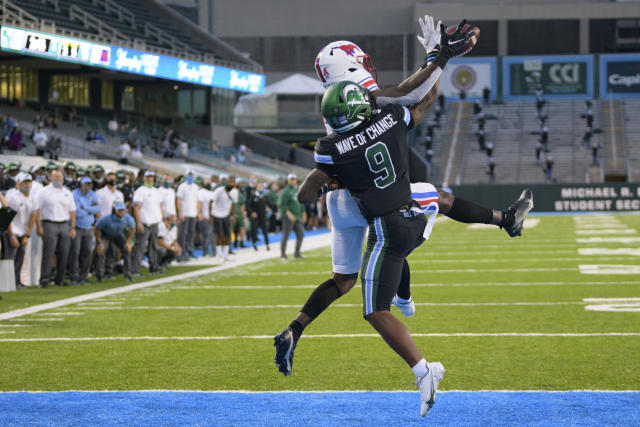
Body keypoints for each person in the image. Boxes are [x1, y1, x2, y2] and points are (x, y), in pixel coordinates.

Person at [274, 18, 533, 391]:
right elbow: (414, 94)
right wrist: (438, 57)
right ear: (347, 66)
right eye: (359, 61)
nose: (366, 66)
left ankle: (296, 327)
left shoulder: (332, 110)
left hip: (341, 199)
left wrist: (327, 182)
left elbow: (308, 188)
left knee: (343, 278)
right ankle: (502, 221)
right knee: (434, 204)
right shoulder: (366, 99)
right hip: (377, 196)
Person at [36, 169, 76, 287]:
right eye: (55, 177)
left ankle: (60, 278)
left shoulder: (67, 192)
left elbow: (72, 211)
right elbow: (37, 209)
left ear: (63, 178)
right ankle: (44, 279)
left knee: (64, 252)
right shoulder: (44, 191)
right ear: (50, 178)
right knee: (49, 252)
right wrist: (38, 225)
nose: (57, 179)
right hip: (49, 223)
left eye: (59, 177)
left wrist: (72, 227)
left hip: (64, 223)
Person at [2, 173, 37, 288]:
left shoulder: (33, 197)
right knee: (10, 258)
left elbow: (33, 216)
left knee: (20, 258)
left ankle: (16, 281)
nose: (27, 185)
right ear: (19, 183)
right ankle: (7, 282)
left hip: (23, 232)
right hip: (12, 231)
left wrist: (27, 235)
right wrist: (12, 236)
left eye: (28, 182)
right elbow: (7, 217)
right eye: (24, 182)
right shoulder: (13, 196)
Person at [131, 170, 165, 275]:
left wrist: (163, 219)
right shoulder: (140, 191)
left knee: (153, 246)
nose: (150, 179)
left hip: (155, 222)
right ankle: (135, 270)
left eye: (152, 177)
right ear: (144, 178)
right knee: (140, 247)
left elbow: (160, 206)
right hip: (145, 223)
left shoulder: (156, 191)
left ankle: (153, 268)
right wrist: (139, 223)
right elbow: (136, 208)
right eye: (148, 177)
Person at [69, 177, 101, 284]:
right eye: (85, 184)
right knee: (75, 252)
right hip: (77, 226)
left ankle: (83, 276)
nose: (87, 187)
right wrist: (90, 208)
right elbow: (77, 211)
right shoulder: (74, 194)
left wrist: (85, 207)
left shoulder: (92, 194)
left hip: (88, 227)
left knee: (87, 252)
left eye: (89, 185)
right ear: (80, 185)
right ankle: (74, 276)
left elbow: (98, 209)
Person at [95, 202, 135, 281]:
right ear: (115, 211)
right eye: (119, 210)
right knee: (102, 250)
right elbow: (96, 229)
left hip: (118, 234)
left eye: (122, 210)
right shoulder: (106, 219)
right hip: (105, 234)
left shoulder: (128, 218)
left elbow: (133, 229)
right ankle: (99, 275)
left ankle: (128, 274)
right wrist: (99, 243)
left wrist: (128, 242)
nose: (121, 212)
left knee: (126, 249)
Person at [210, 175, 237, 261]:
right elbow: (211, 201)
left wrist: (233, 216)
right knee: (219, 235)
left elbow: (233, 204)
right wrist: (211, 216)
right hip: (217, 215)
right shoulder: (219, 190)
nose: (231, 183)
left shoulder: (235, 192)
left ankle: (225, 255)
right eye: (229, 181)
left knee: (227, 235)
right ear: (226, 182)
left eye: (232, 182)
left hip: (226, 216)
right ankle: (219, 254)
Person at [278, 173, 305, 259]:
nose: (293, 181)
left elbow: (300, 202)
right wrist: (289, 214)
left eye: (294, 179)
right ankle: (283, 254)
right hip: (288, 217)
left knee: (301, 234)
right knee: (286, 235)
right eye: (291, 179)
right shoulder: (285, 191)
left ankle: (297, 253)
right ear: (288, 180)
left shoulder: (296, 190)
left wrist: (303, 212)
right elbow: (282, 204)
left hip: (297, 216)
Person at [176, 170, 200, 259]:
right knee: (183, 234)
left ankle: (190, 250)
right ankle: (181, 253)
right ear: (186, 176)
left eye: (192, 175)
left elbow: (197, 200)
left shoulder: (196, 187)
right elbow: (179, 200)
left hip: (193, 214)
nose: (190, 177)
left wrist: (197, 212)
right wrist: (180, 212)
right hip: (185, 214)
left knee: (191, 233)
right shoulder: (182, 187)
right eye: (189, 175)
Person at [247, 181, 270, 251]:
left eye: (262, 187)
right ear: (256, 187)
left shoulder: (265, 196)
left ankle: (267, 245)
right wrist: (252, 212)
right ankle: (254, 244)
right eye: (259, 186)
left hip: (263, 216)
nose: (260, 188)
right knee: (254, 230)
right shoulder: (253, 195)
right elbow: (248, 205)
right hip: (255, 216)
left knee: (265, 230)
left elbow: (268, 205)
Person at [196, 177, 214, 256]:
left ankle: (214, 251)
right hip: (205, 217)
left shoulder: (211, 192)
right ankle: (205, 252)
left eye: (210, 182)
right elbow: (199, 203)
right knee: (205, 235)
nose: (209, 184)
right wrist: (200, 214)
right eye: (207, 182)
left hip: (212, 217)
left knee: (212, 235)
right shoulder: (201, 192)